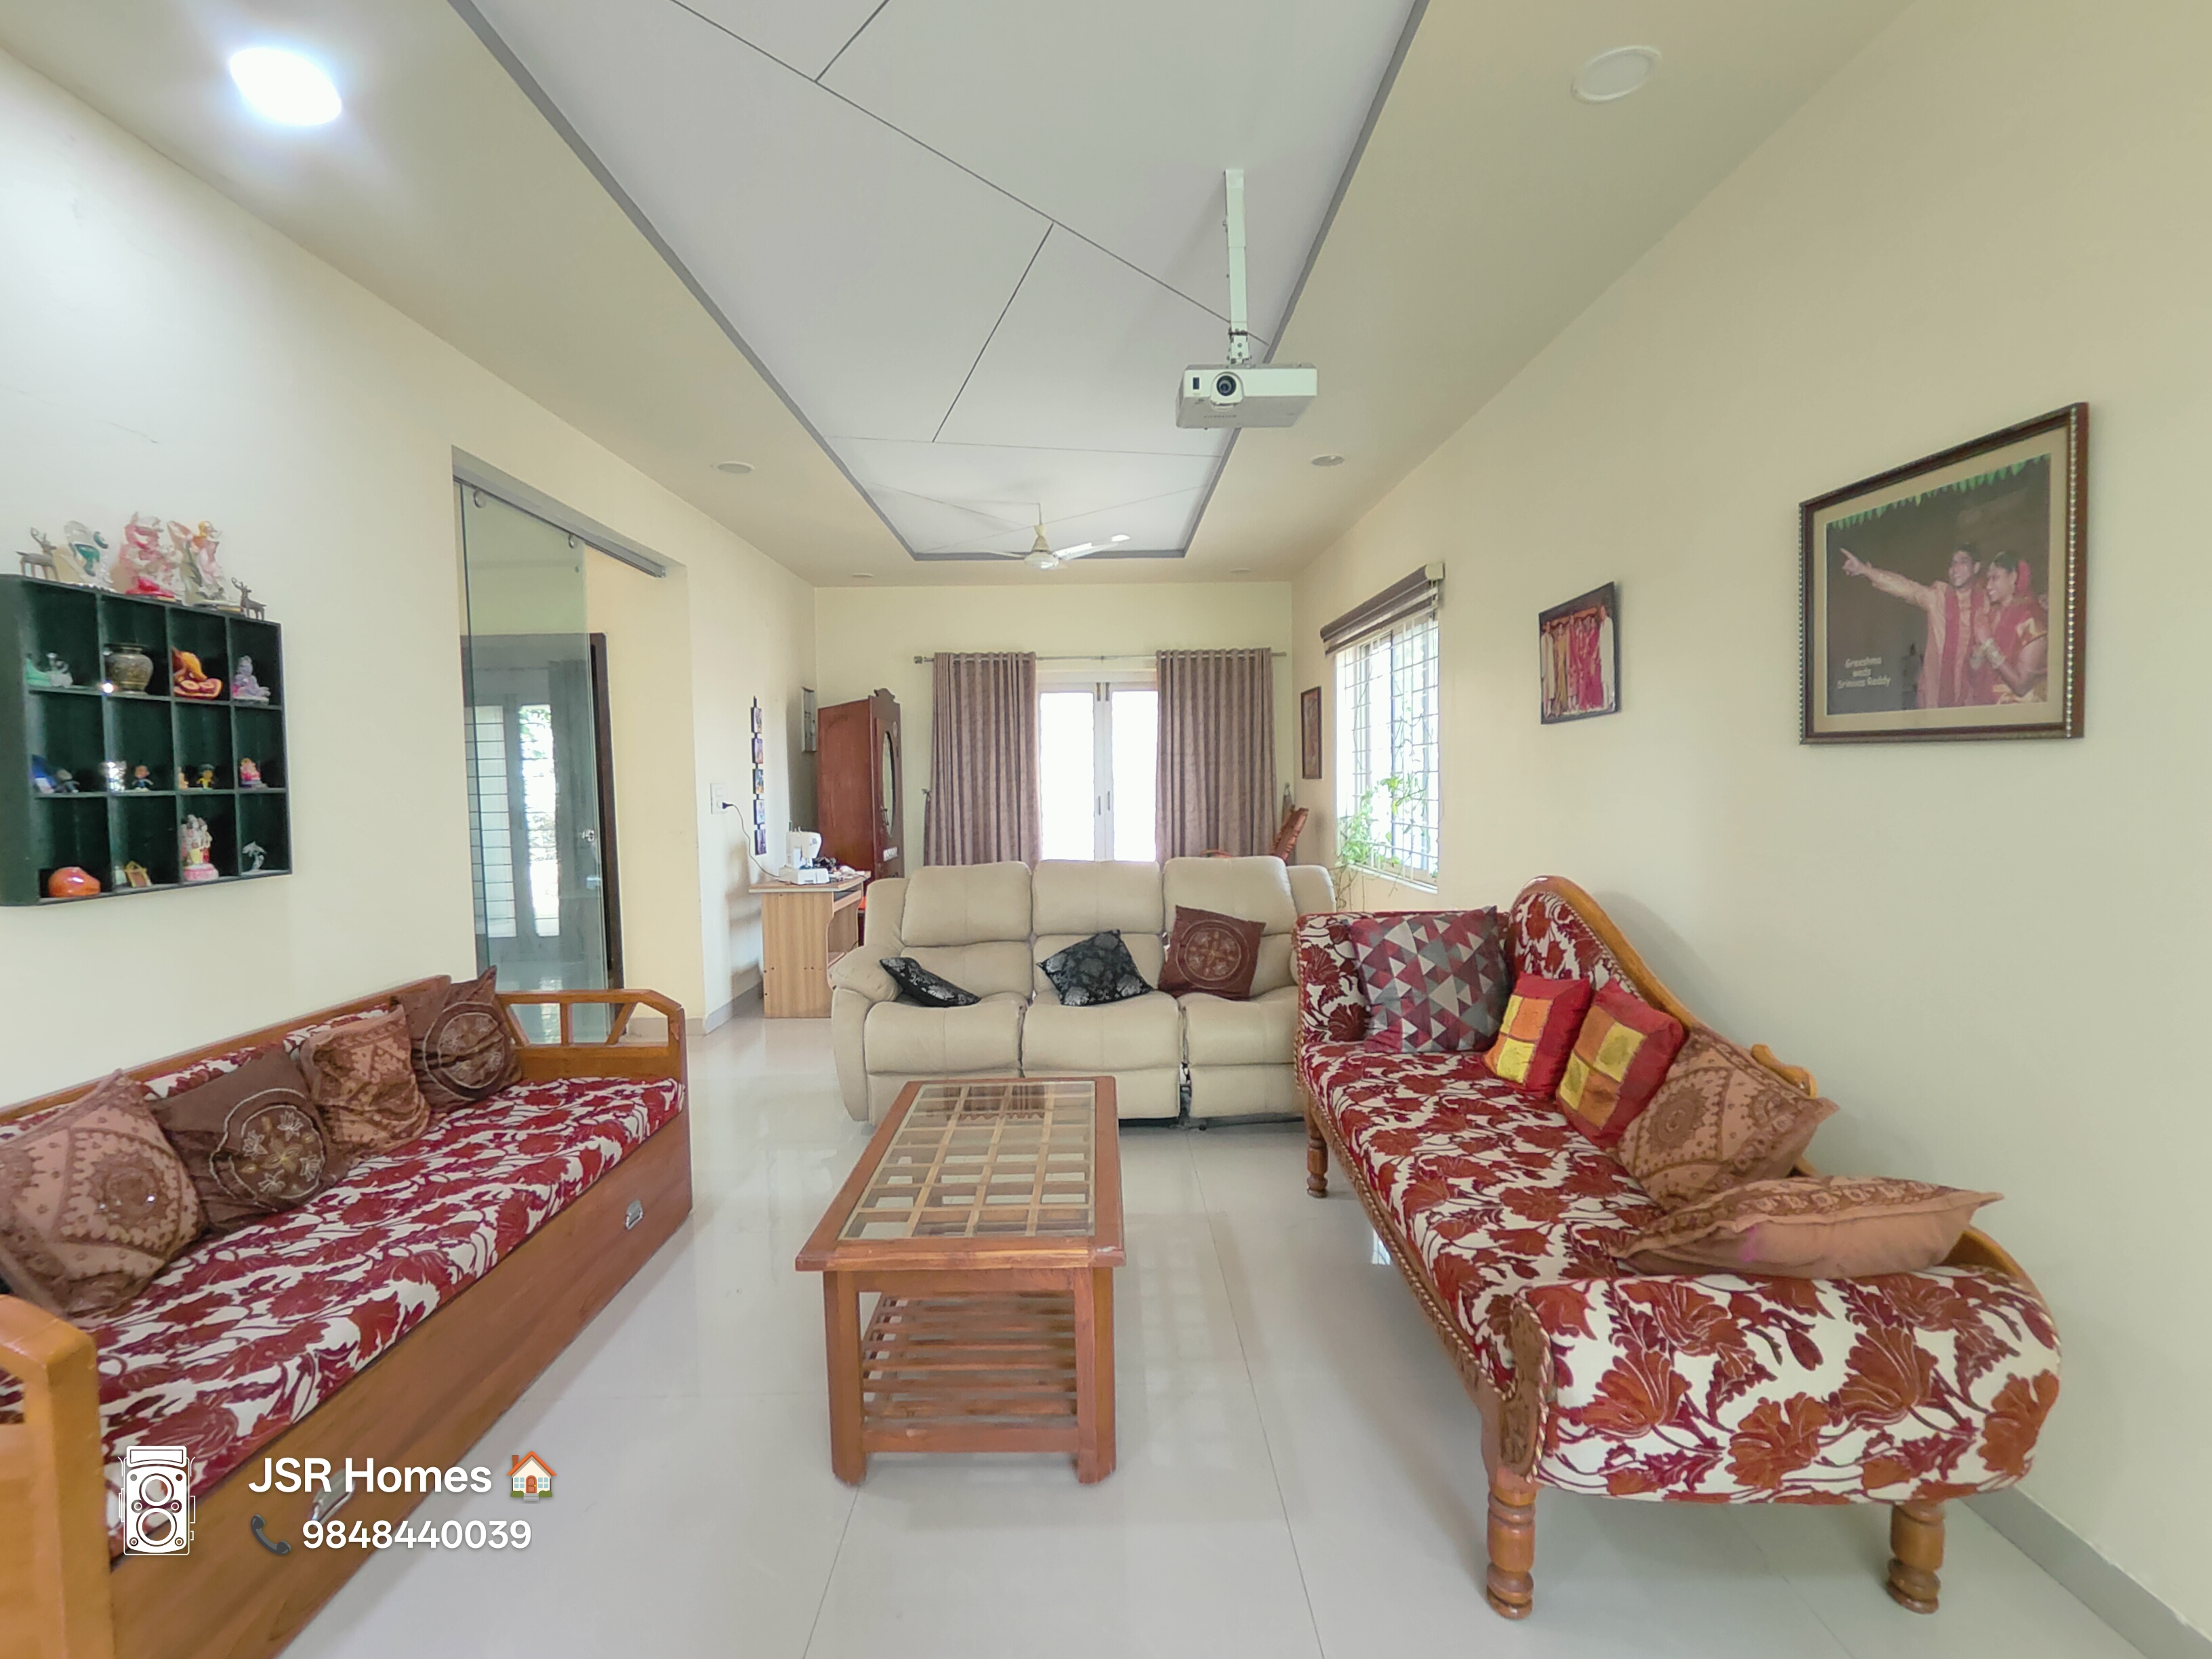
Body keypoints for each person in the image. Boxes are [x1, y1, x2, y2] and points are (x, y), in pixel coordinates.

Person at [1836, 544, 1989, 708]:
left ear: (1976, 567)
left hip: (1972, 702)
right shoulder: (1938, 598)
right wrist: (1865, 570)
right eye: (1953, 563)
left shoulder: (1987, 604)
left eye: (1963, 562)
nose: (1955, 568)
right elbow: (1906, 587)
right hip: (1934, 700)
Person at [1971, 552, 2049, 703]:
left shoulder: (2032, 621)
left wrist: (1988, 644)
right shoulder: (1991, 617)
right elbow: (1975, 675)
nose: (1988, 586)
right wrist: (1978, 652)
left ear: (2013, 577)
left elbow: (2021, 686)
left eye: (1995, 578)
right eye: (1988, 579)